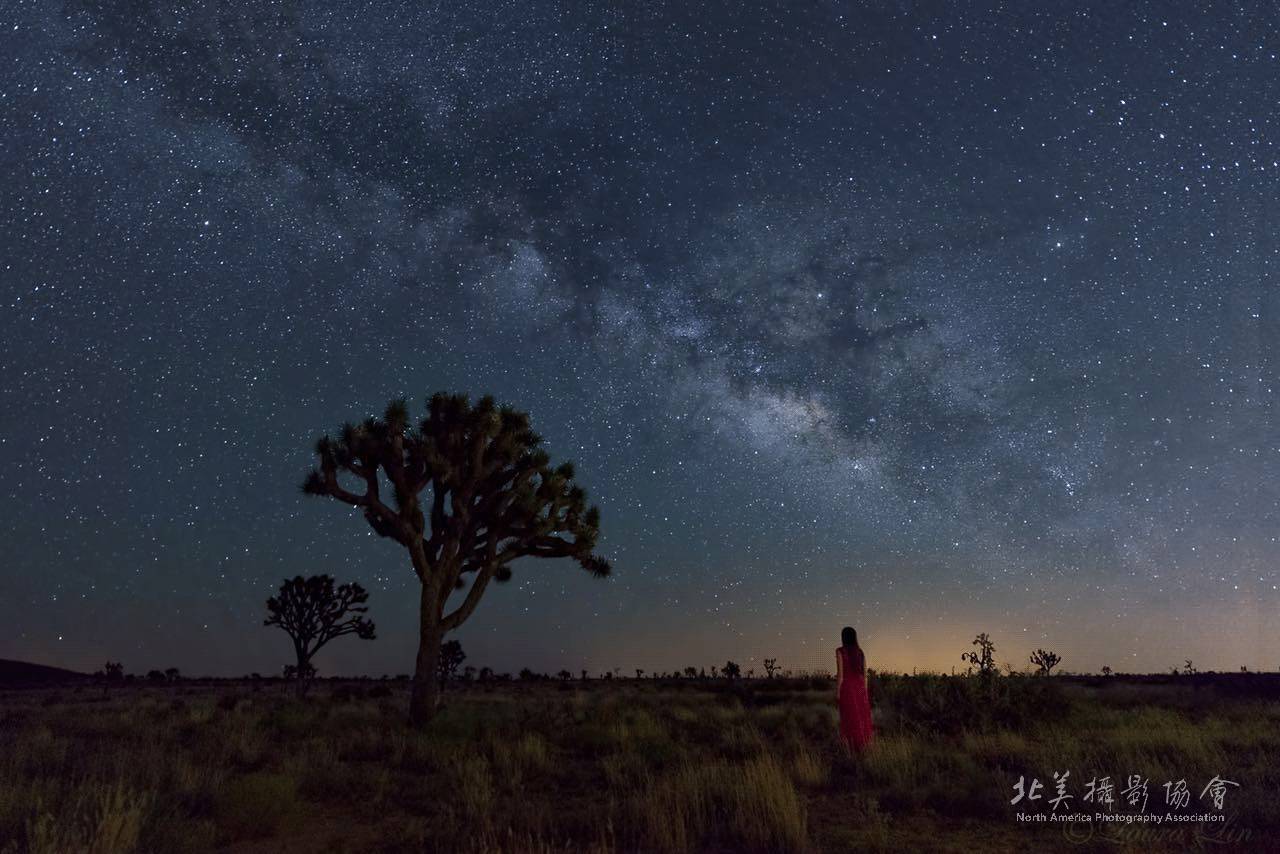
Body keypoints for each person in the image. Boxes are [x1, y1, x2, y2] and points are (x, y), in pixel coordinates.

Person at [836, 626, 873, 751]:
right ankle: (862, 747)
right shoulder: (860, 652)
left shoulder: (840, 651)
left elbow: (840, 675)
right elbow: (865, 675)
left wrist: (838, 693)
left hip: (848, 687)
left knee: (848, 717)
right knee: (860, 717)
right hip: (860, 687)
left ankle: (850, 747)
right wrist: (865, 692)